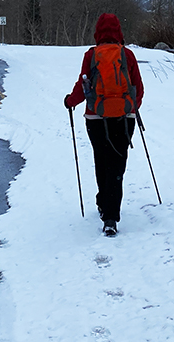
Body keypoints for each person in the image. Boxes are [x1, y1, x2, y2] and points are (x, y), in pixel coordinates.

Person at [63, 13, 144, 237]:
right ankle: (111, 217)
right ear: (119, 31)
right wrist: (129, 107)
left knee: (102, 160)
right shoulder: (127, 55)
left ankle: (102, 203)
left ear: (98, 32)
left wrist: (70, 101)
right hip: (124, 118)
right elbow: (138, 87)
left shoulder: (91, 55)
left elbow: (83, 85)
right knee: (117, 166)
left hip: (96, 118)